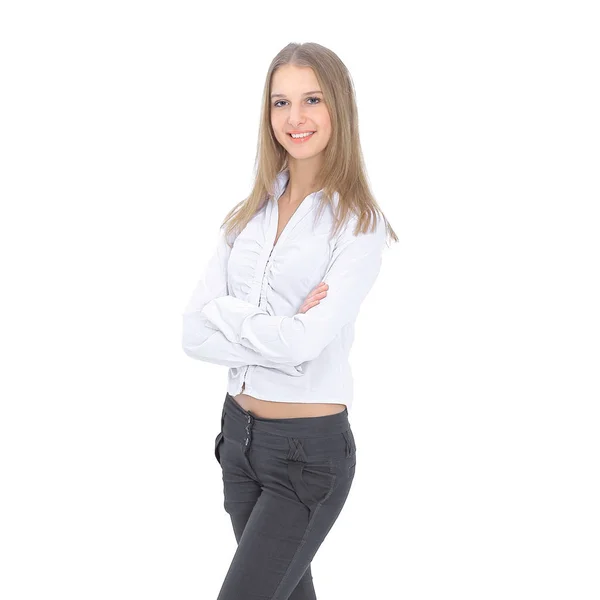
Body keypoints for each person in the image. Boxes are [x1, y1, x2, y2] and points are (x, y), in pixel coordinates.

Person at [182, 42, 398, 600]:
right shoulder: (248, 213)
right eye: (281, 102)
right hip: (238, 443)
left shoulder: (357, 224)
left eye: (311, 100)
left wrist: (229, 314)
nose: (294, 118)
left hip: (307, 456)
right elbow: (192, 333)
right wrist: (273, 327)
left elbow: (304, 344)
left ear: (338, 110)